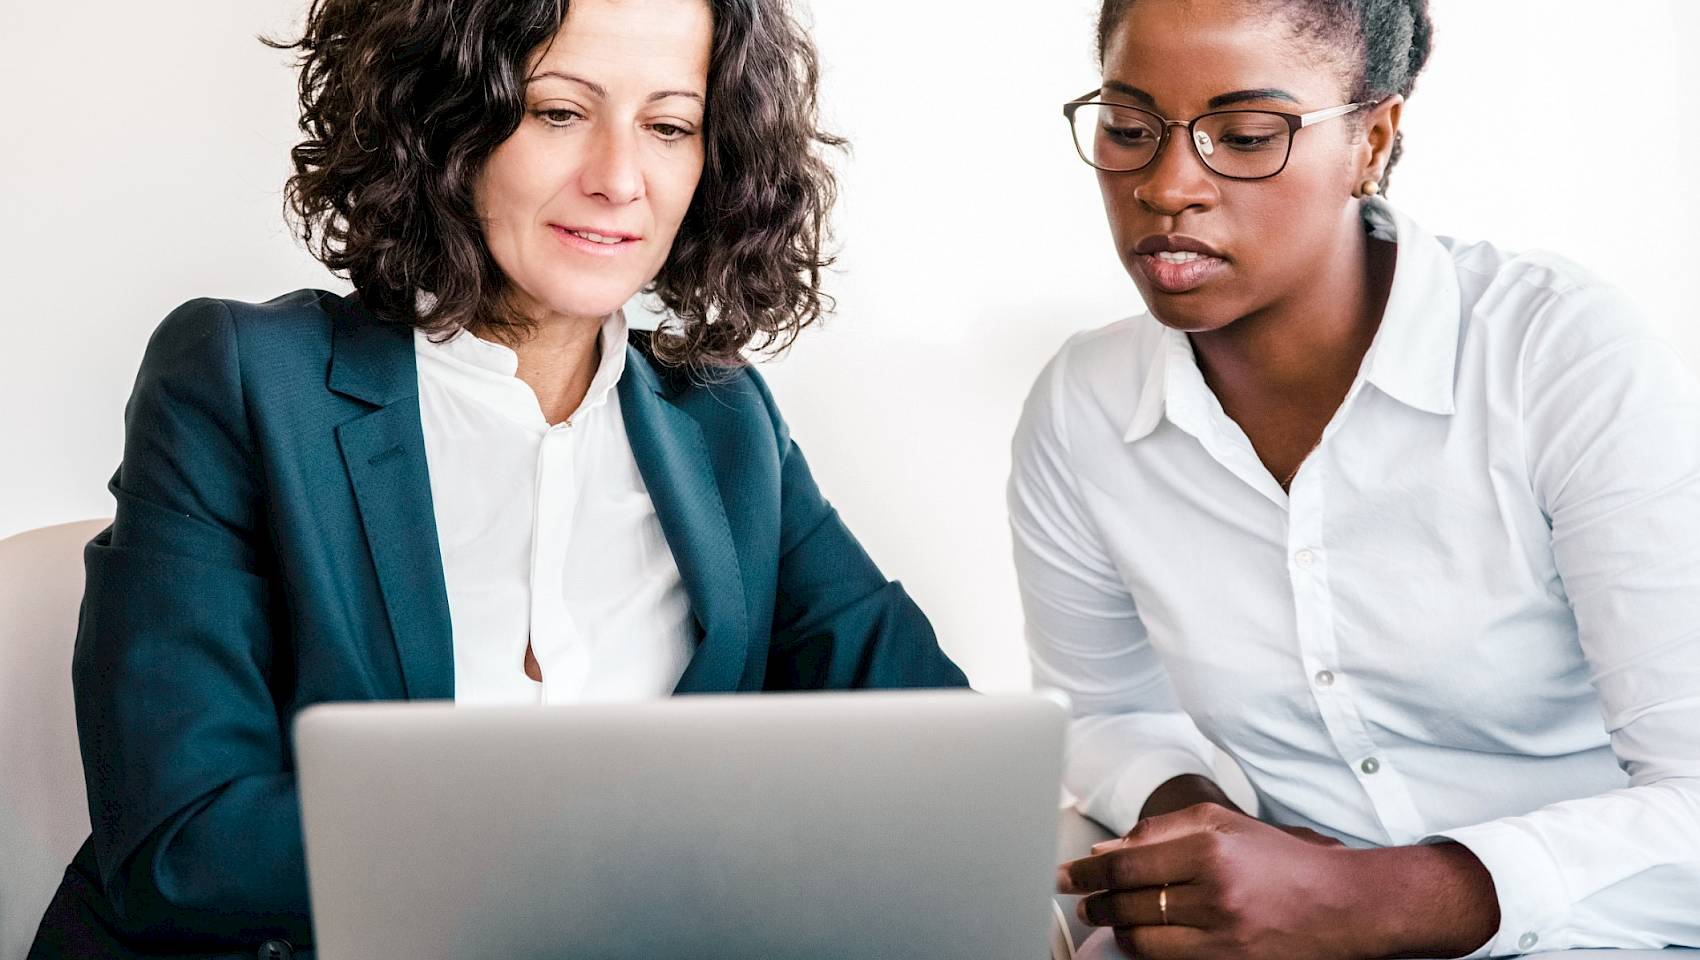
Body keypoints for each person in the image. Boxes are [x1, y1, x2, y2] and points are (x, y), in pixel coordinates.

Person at [29, 0, 966, 956]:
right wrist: (617, 835)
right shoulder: (242, 379)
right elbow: (185, 851)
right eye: (559, 112)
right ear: (445, 115)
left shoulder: (724, 422)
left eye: (671, 126)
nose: (619, 179)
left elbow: (943, 750)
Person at [1015, 0, 1700, 957]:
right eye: (1129, 130)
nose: (1168, 185)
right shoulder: (1084, 404)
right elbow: (1107, 712)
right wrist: (1210, 846)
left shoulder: (1560, 361)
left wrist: (1371, 898)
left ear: (1372, 139)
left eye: (1246, 136)